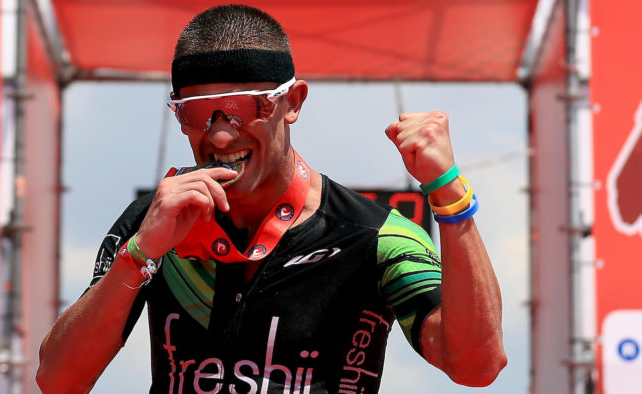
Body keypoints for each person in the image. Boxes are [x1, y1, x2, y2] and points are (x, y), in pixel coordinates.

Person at [36, 4, 506, 393]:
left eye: (243, 108)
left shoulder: (374, 234)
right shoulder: (154, 220)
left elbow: (475, 366)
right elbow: (59, 380)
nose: (219, 135)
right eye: (196, 113)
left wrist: (447, 191)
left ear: (293, 103)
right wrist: (138, 255)